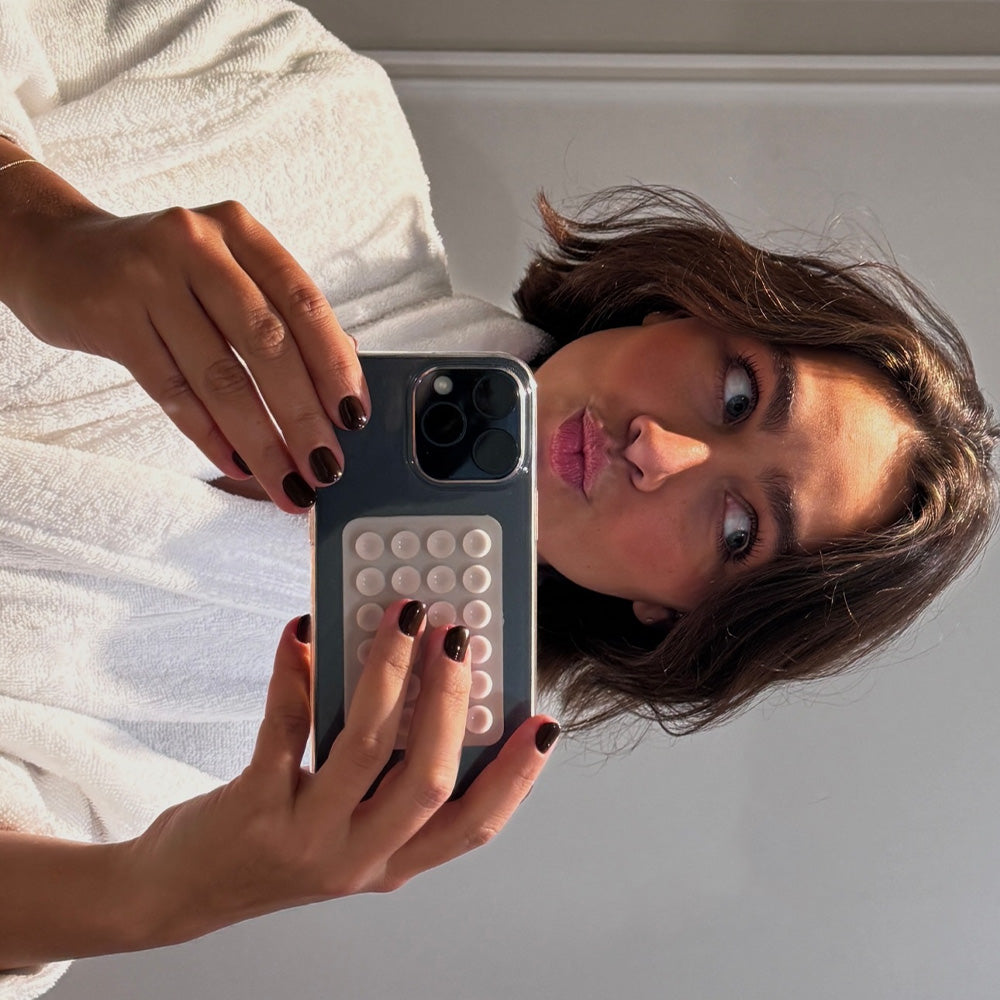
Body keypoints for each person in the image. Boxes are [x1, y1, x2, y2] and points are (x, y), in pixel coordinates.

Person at [0, 0, 995, 995]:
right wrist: (34, 227)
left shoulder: (319, 745)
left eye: (738, 527)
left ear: (673, 614)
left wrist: (149, 895)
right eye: (736, 394)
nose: (659, 450)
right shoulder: (305, 111)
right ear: (683, 310)